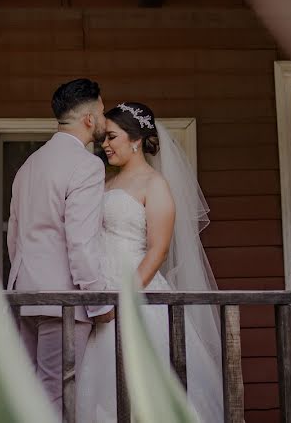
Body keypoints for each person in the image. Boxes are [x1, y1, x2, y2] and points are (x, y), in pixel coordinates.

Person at [76, 102, 229, 423]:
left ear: (135, 140)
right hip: (101, 296)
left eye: (112, 137)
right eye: (104, 138)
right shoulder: (106, 182)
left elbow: (158, 250)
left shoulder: (155, 185)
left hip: (137, 293)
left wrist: (125, 297)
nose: (104, 144)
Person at [6, 78, 115, 415]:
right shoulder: (86, 165)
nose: (103, 120)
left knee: (34, 392)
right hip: (64, 301)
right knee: (57, 396)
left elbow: (15, 237)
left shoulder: (29, 165)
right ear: (88, 120)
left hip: (25, 295)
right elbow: (81, 243)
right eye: (101, 112)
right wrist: (99, 302)